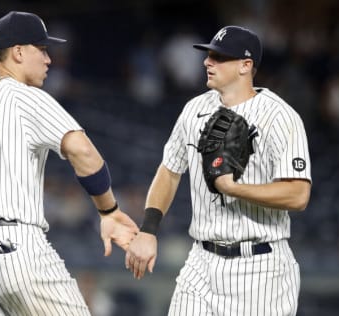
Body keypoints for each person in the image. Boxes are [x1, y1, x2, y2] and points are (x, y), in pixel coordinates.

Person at [0, 11, 138, 316]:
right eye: (42, 49)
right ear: (18, 52)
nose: (49, 59)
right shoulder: (25, 97)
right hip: (14, 245)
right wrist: (109, 211)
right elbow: (83, 153)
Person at [126, 25, 312, 316]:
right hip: (201, 262)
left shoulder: (281, 117)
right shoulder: (194, 109)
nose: (207, 62)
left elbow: (299, 194)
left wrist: (233, 188)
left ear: (245, 66)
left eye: (219, 57)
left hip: (260, 268)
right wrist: (148, 230)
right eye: (209, 55)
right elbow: (170, 171)